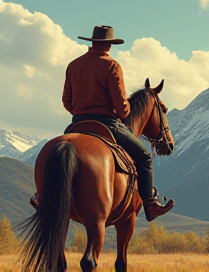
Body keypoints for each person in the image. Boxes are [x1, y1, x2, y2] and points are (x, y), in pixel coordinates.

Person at [61, 25, 174, 222]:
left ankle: (43, 197)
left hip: (77, 124)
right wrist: (124, 111)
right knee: (145, 157)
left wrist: (80, 113)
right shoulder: (111, 66)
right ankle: (150, 204)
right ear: (109, 45)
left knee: (59, 152)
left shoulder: (73, 65)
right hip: (107, 124)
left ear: (92, 42)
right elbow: (122, 107)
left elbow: (66, 100)